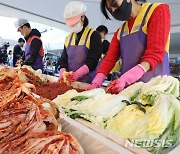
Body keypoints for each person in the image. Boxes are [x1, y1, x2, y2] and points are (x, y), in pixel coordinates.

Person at [87, 0, 170, 94]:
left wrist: (125, 79)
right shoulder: (120, 31)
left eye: (114, 4)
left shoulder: (156, 10)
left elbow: (154, 53)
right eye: (110, 11)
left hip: (156, 89)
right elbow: (109, 60)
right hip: (130, 91)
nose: (114, 10)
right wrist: (95, 83)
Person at [58, 1, 102, 84]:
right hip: (70, 82)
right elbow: (63, 59)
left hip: (87, 83)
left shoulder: (93, 35)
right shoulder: (68, 38)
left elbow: (93, 60)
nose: (73, 26)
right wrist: (62, 72)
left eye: (74, 23)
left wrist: (77, 74)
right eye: (71, 24)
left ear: (82, 17)